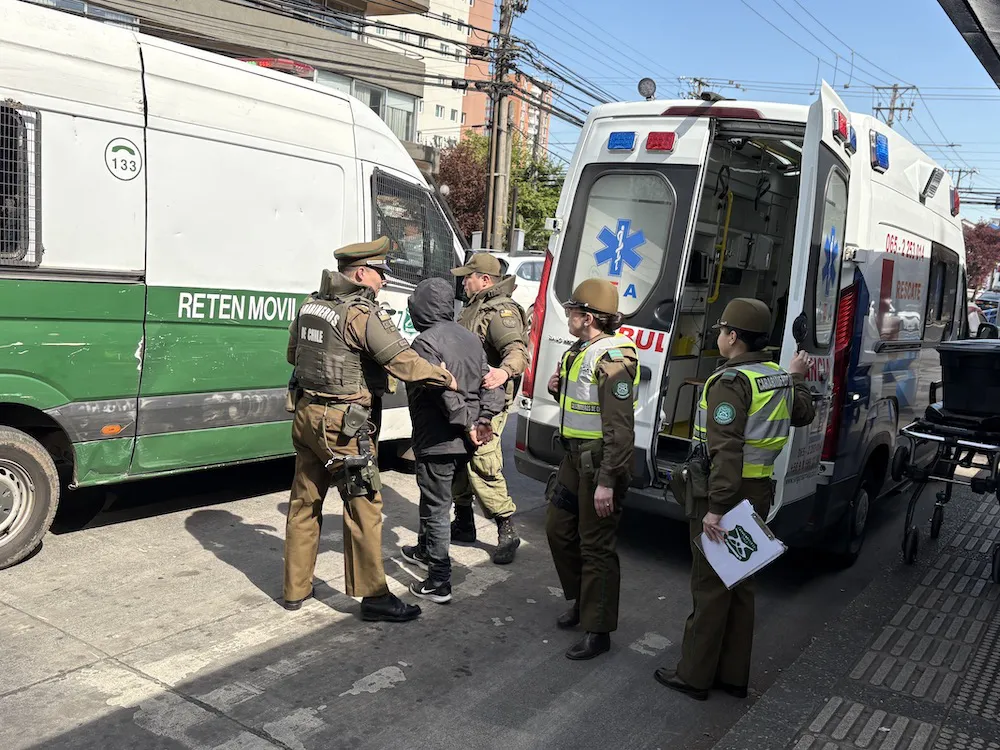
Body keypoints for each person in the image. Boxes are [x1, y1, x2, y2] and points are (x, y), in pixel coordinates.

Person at [282, 237, 458, 623]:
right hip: (344, 427)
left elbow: (293, 355)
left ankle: (296, 588)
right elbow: (403, 362)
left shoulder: (310, 305)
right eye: (380, 274)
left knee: (304, 502)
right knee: (364, 507)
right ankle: (374, 596)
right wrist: (445, 377)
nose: (382, 282)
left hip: (307, 415)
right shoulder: (361, 313)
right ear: (361, 272)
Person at [655, 298, 815, 700]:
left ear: (733, 337)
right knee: (740, 584)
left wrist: (716, 509)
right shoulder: (776, 376)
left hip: (728, 491)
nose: (720, 338)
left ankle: (694, 676)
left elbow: (726, 452)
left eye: (723, 332)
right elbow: (803, 415)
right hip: (758, 492)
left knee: (710, 586)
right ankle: (731, 676)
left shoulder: (731, 382)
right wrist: (797, 377)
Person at [545, 279, 639, 660]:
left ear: (587, 317)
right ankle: (584, 601)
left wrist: (607, 483)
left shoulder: (612, 359)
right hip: (574, 459)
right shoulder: (583, 349)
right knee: (557, 528)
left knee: (597, 546)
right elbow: (584, 403)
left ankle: (598, 629)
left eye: (571, 311)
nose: (567, 315)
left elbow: (620, 429)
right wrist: (557, 387)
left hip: (599, 464)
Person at [398, 277, 505, 603]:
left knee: (437, 506)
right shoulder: (471, 339)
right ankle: (423, 548)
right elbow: (493, 384)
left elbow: (442, 392)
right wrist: (484, 420)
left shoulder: (425, 344)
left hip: (439, 440)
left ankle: (439, 580)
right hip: (467, 441)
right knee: (434, 499)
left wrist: (470, 422)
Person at [450, 253, 530, 565]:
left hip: (488, 403)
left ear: (485, 280)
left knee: (483, 461)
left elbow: (517, 351)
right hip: (466, 399)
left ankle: (506, 528)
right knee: (459, 457)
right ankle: (464, 522)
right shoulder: (474, 306)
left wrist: (504, 371)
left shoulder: (501, 311)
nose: (464, 281)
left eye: (468, 276)